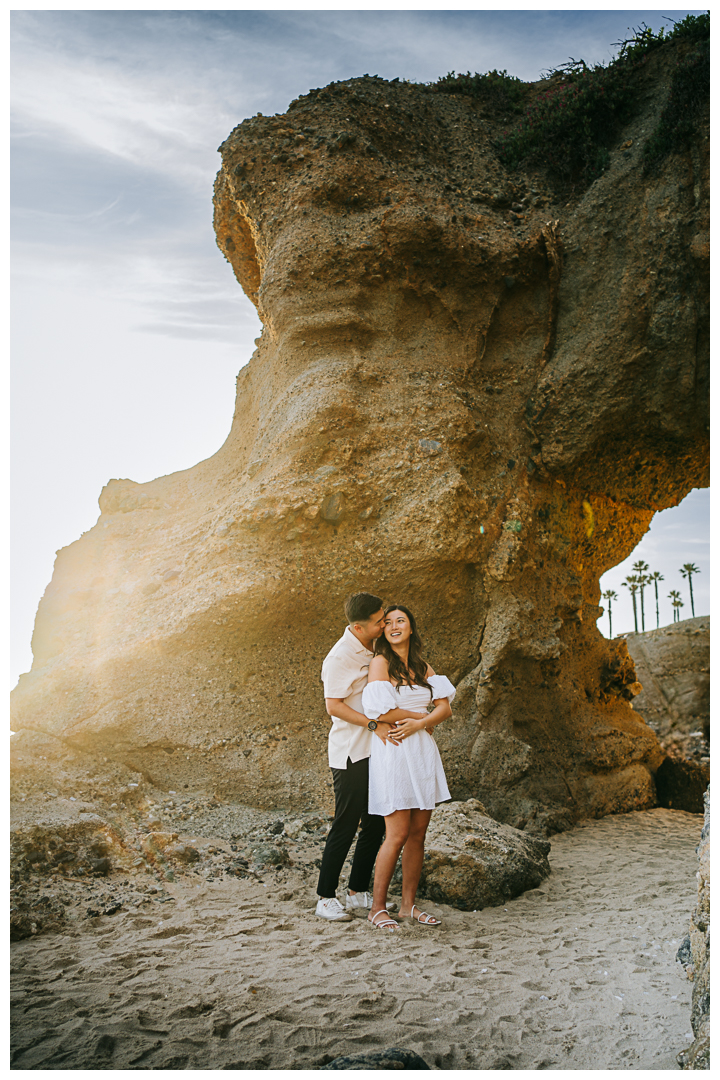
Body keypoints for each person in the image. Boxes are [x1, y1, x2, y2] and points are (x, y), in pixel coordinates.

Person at [315, 593, 423, 921]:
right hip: (351, 752)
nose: (384, 624)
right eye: (379, 621)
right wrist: (374, 723)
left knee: (375, 823)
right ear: (358, 627)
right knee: (345, 825)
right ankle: (324, 897)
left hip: (377, 750)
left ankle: (358, 891)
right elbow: (333, 705)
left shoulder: (374, 648)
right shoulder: (339, 657)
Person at [361, 604, 455, 931]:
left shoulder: (423, 666)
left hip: (422, 752)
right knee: (397, 833)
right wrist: (419, 719)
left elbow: (445, 710)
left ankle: (407, 907)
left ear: (411, 627)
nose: (394, 625)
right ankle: (376, 908)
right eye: (388, 622)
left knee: (417, 834)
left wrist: (422, 723)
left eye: (401, 620)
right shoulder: (380, 663)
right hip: (395, 751)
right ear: (384, 631)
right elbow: (379, 712)